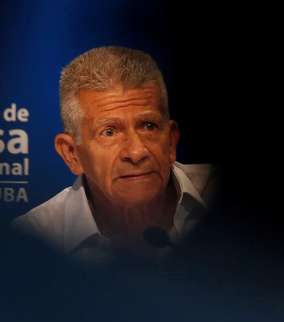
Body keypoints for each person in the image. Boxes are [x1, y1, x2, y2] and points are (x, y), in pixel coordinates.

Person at [11, 46, 216, 264]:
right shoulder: (31, 241)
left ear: (171, 141)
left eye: (148, 126)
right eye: (109, 132)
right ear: (72, 154)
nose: (136, 152)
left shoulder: (230, 200)